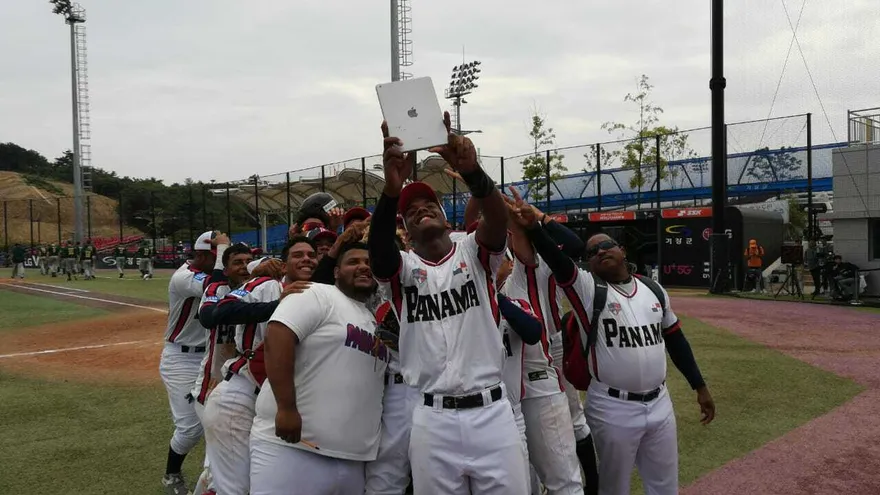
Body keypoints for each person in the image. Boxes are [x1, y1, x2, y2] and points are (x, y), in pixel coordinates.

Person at [507, 190, 716, 495]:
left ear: (622, 250)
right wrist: (537, 226)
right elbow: (560, 260)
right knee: (613, 488)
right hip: (613, 406)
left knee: (665, 485)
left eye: (606, 245)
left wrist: (699, 386)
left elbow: (676, 341)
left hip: (660, 402)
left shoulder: (653, 289)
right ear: (588, 264)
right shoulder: (588, 289)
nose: (600, 251)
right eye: (592, 252)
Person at [369, 114, 528, 494]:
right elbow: (379, 254)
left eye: (429, 205)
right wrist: (391, 192)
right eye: (411, 210)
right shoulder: (404, 269)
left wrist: (472, 173)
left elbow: (495, 216)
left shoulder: (473, 252)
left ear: (444, 215)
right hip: (431, 418)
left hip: (492, 413)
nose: (421, 209)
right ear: (404, 228)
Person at [249, 242, 389, 494]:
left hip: (352, 459)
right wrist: (286, 408)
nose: (363, 267)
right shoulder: (317, 293)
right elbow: (278, 334)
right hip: (292, 449)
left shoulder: (374, 320)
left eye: (369, 263)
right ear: (336, 271)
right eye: (354, 262)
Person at [200, 238, 314, 495]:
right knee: (234, 487)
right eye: (298, 254)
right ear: (284, 263)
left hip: (273, 402)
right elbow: (220, 311)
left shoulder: (323, 294)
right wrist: (278, 306)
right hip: (241, 392)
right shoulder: (265, 284)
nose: (306, 259)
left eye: (312, 254)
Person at [160, 230, 228, 495]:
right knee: (189, 429)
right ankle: (171, 474)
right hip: (181, 357)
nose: (217, 262)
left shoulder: (209, 271)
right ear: (199, 255)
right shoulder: (184, 277)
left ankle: (213, 480)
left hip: (211, 354)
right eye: (214, 257)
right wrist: (223, 252)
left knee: (219, 418)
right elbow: (217, 287)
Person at [189, 242, 254, 495]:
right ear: (225, 269)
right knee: (220, 472)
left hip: (242, 387)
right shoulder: (217, 289)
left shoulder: (260, 288)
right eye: (238, 262)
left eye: (249, 261)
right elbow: (208, 318)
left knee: (221, 469)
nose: (245, 266)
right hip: (212, 385)